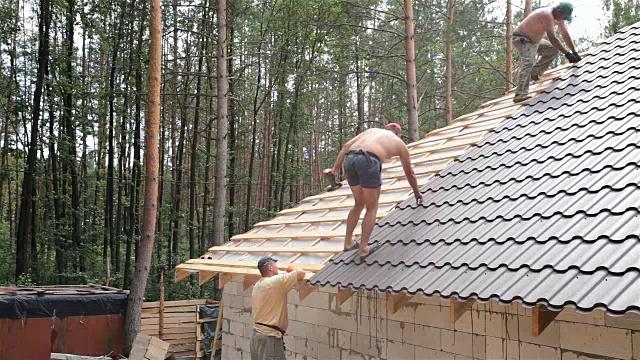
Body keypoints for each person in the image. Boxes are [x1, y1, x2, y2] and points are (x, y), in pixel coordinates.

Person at [331, 123, 423, 260]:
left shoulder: (371, 131)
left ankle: (348, 242)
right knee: (371, 207)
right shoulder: (399, 143)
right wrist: (417, 192)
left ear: (385, 129)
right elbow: (410, 173)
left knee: (358, 203)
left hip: (350, 158)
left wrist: (335, 169)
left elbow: (345, 147)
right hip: (368, 160)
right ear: (399, 134)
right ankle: (363, 248)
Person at [512, 2, 581, 103]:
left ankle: (534, 73)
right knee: (529, 61)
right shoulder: (547, 14)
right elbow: (553, 38)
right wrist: (567, 54)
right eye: (563, 17)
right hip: (522, 39)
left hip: (535, 41)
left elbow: (565, 34)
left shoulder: (558, 18)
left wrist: (574, 52)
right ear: (558, 11)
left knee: (552, 50)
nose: (563, 19)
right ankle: (520, 94)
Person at [250, 256, 305, 360]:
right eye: (275, 264)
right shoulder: (276, 282)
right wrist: (291, 268)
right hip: (269, 337)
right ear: (270, 267)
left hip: (256, 336)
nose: (277, 266)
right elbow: (301, 273)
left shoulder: (258, 284)